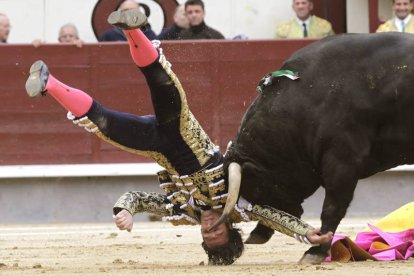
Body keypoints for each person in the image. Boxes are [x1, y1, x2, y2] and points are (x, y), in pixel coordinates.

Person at [25, 9, 332, 265]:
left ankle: (48, 82)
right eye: (216, 234)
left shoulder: (181, 211)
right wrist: (307, 233)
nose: (209, 229)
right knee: (159, 79)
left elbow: (138, 199)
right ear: (230, 230)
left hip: (156, 145)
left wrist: (124, 211)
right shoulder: (239, 205)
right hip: (183, 132)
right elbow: (274, 216)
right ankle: (131, 30)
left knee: (102, 124)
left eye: (206, 235)